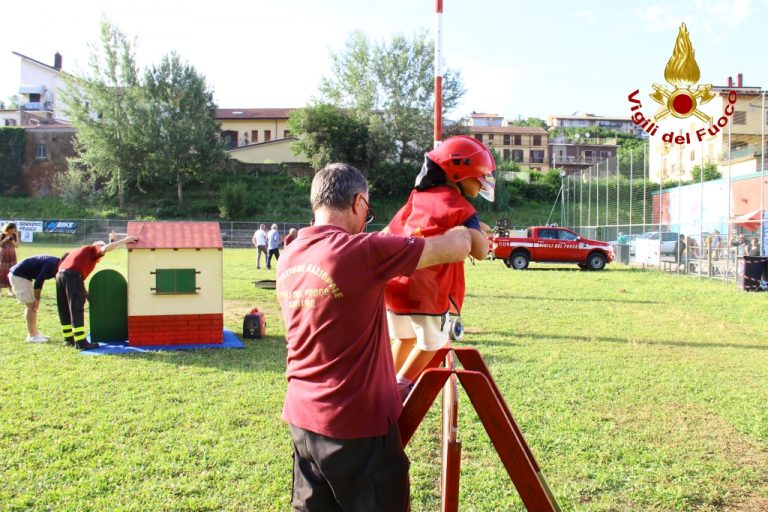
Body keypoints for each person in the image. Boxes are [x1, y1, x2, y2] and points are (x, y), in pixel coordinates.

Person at [276, 163, 473, 511]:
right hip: (358, 429)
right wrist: (470, 228)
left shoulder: (289, 254)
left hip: (302, 422)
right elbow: (455, 246)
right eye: (367, 210)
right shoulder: (363, 251)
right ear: (358, 202)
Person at [385, 135, 495, 401]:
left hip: (396, 286)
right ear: (459, 172)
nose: (483, 182)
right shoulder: (461, 208)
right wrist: (480, 235)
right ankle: (399, 388)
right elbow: (480, 251)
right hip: (429, 292)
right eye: (480, 176)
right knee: (432, 343)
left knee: (404, 338)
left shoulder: (415, 198)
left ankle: (384, 382)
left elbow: (396, 230)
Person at [56, 236, 138, 350]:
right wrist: (124, 241)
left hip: (60, 275)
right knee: (76, 308)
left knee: (63, 308)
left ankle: (68, 339)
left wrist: (84, 292)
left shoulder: (78, 252)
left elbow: (76, 276)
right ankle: (81, 342)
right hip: (72, 275)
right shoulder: (92, 250)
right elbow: (105, 249)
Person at [9, 254, 64, 342]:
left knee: (32, 306)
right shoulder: (51, 264)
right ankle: (32, 336)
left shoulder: (56, 265)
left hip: (23, 276)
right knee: (31, 306)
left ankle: (35, 333)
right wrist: (37, 299)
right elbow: (38, 282)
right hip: (18, 276)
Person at [1, 222, 20, 297]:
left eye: (14, 230)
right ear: (7, 229)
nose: (12, 231)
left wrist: (12, 240)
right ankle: (0, 290)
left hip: (12, 255)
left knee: (11, 271)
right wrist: (5, 240)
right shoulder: (2, 234)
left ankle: (11, 290)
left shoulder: (15, 235)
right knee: (2, 271)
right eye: (11, 230)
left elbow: (17, 245)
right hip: (3, 254)